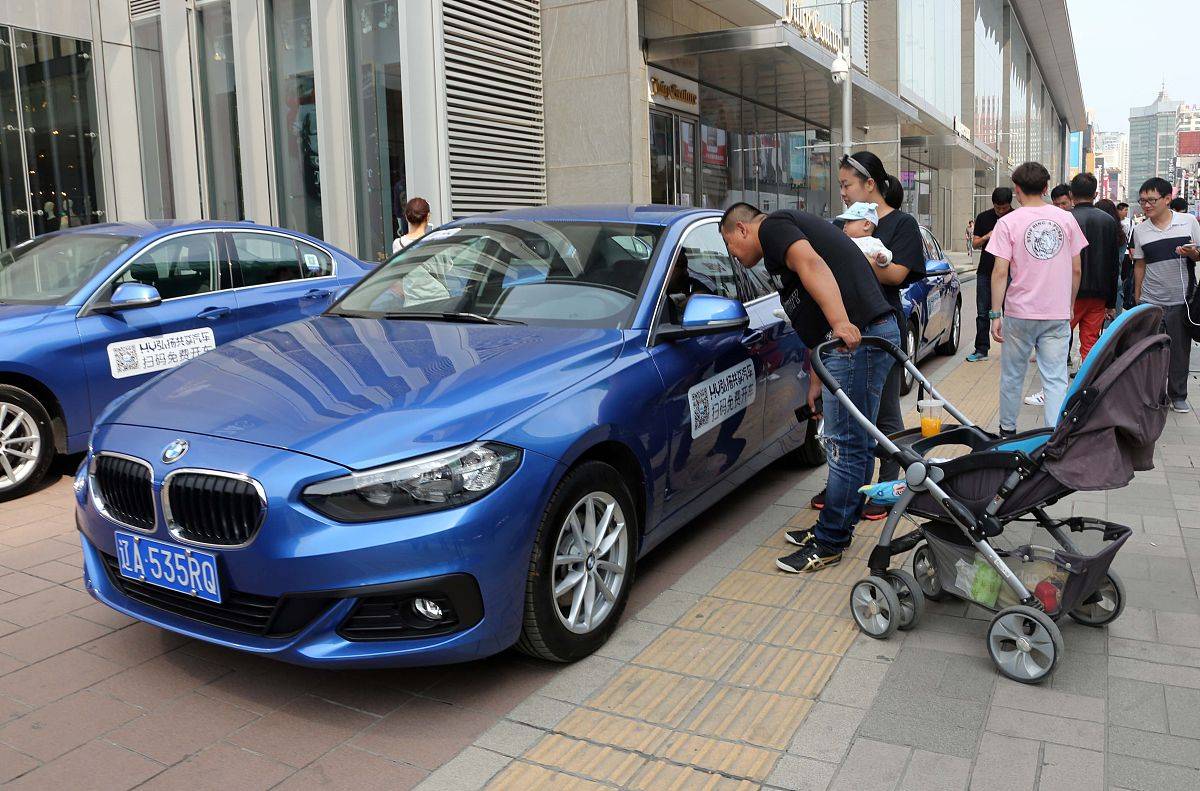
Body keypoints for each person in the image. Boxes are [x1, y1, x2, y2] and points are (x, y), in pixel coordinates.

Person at [719, 203, 897, 573]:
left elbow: (812, 265)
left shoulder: (772, 227)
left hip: (856, 339)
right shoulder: (778, 247)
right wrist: (818, 376)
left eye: (729, 245)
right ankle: (837, 526)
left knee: (845, 445)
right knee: (856, 443)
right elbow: (813, 315)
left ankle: (830, 541)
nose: (732, 255)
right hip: (851, 343)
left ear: (742, 229)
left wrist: (841, 322)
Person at [836, 150, 927, 512]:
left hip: (883, 327)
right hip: (847, 327)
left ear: (870, 184)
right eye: (841, 185)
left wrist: (853, 256)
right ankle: (846, 487)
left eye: (847, 185)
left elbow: (896, 274)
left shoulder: (901, 225)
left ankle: (889, 487)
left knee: (885, 414)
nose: (842, 192)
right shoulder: (845, 224)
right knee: (851, 415)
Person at [987, 162, 1086, 437]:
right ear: (1045, 188)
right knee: (1055, 378)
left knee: (1012, 376)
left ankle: (1007, 431)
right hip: (1056, 312)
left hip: (1019, 312)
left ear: (1017, 189)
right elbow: (1076, 269)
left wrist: (995, 314)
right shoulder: (1066, 219)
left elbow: (999, 272)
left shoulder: (1007, 222)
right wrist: (1069, 304)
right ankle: (1053, 437)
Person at [1132, 177, 1200, 413]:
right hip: (1151, 300)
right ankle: (1152, 395)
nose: (1146, 205)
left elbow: (1199, 254)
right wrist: (1137, 294)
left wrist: (1191, 254)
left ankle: (1178, 395)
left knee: (1179, 351)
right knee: (1150, 351)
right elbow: (1140, 263)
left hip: (1182, 300)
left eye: (1151, 200)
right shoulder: (1140, 230)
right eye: (1142, 201)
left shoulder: (1188, 222)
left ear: (1167, 199)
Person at [1069, 173, 1121, 362]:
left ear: (1071, 194)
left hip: (1069, 293)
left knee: (1058, 340)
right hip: (1099, 293)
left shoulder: (1066, 219)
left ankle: (1057, 380)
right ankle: (1088, 378)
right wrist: (1111, 302)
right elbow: (1114, 264)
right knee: (1090, 342)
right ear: (1095, 194)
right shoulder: (1108, 221)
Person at [966, 187, 1014, 362]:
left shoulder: (1016, 217)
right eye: (997, 208)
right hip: (985, 272)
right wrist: (987, 236)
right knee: (982, 312)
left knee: (1011, 313)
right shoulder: (983, 217)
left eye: (1004, 208)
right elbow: (975, 244)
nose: (1000, 211)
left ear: (1010, 204)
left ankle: (1012, 351)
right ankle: (981, 349)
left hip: (1010, 273)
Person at [836, 202, 892, 266]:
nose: (844, 225)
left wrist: (882, 258)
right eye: (845, 222)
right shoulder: (843, 239)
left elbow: (886, 253)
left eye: (849, 221)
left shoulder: (872, 242)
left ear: (866, 225)